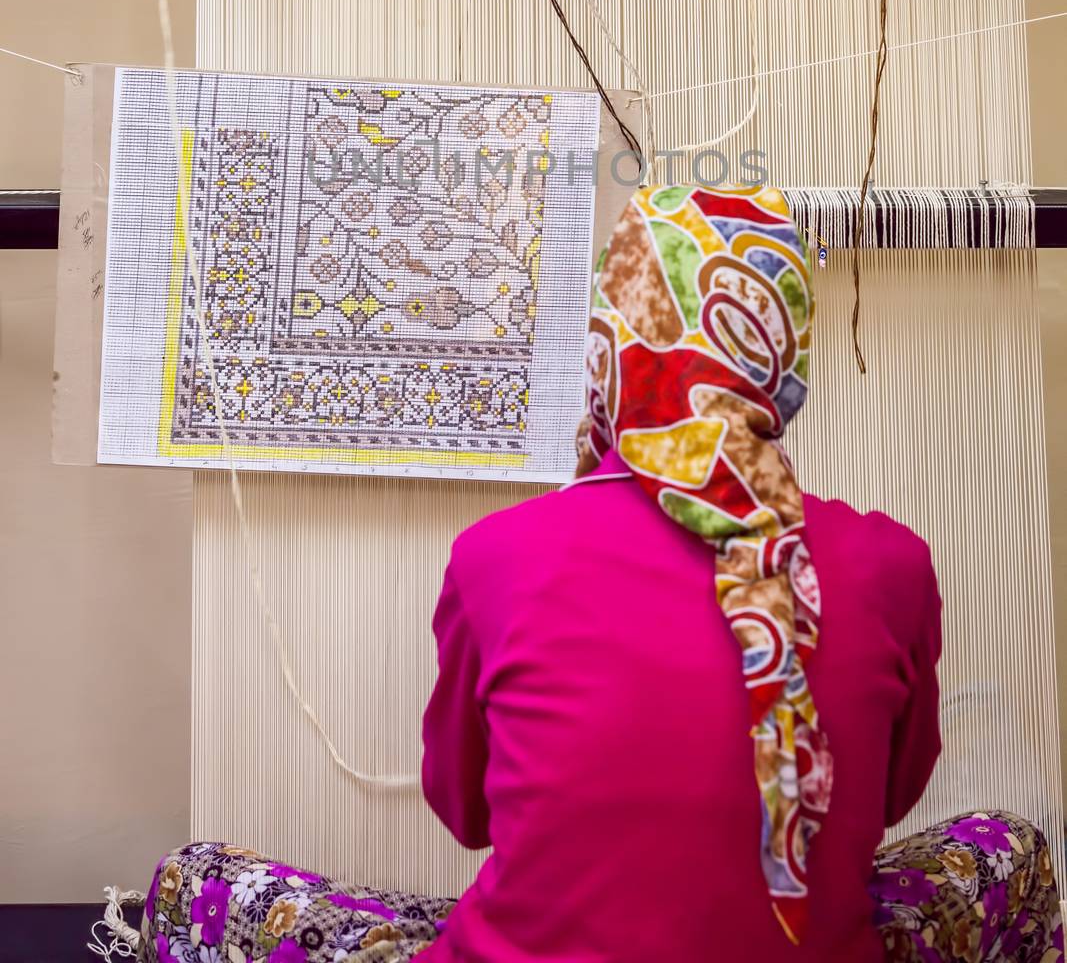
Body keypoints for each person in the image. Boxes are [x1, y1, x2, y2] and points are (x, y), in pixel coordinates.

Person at [139, 185, 1063, 963]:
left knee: (196, 884)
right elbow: (885, 801)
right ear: (783, 359)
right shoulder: (891, 562)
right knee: (1004, 845)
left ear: (611, 344)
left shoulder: (500, 553)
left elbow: (465, 811)